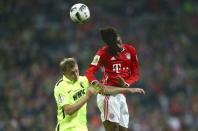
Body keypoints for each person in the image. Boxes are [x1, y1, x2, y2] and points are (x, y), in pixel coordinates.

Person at [54, 57, 145, 131]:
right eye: (72, 73)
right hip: (66, 128)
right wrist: (87, 97)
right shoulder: (60, 87)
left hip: (82, 128)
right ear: (64, 73)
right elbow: (68, 110)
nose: (76, 75)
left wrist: (128, 90)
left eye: (77, 71)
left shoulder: (84, 81)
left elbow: (104, 90)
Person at [85, 27, 140, 131]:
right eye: (114, 44)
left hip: (121, 95)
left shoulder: (131, 51)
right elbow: (89, 71)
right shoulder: (102, 53)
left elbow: (135, 74)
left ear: (120, 39)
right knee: (113, 128)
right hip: (108, 95)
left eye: (118, 42)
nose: (117, 45)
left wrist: (126, 83)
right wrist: (95, 84)